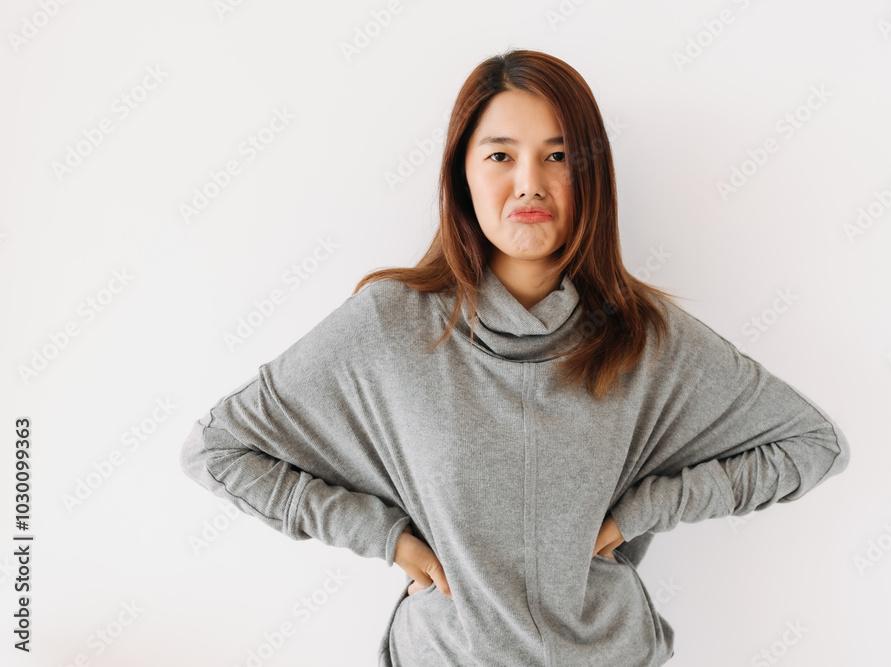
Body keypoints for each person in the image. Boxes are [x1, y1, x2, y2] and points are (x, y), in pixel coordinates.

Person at [180, 48, 850, 666]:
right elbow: (218, 450)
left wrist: (644, 509)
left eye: (558, 157)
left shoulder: (646, 337)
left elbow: (813, 443)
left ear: (591, 175)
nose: (530, 184)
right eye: (501, 156)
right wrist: (386, 537)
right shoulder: (390, 325)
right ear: (462, 172)